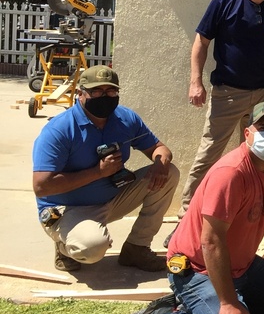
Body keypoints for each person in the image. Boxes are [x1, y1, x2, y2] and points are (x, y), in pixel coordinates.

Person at [125, 100, 264, 314]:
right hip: (196, 268)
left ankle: (219, 303)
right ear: (247, 133)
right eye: (263, 126)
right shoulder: (231, 172)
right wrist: (228, 302)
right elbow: (211, 241)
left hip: (241, 265)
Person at [174, 0, 264, 244]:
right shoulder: (224, 2)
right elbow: (201, 43)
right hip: (227, 93)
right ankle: (186, 216)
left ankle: (248, 214)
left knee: (260, 155)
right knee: (209, 153)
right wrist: (195, 82)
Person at [32, 65, 179, 272]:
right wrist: (98, 172)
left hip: (112, 198)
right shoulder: (60, 130)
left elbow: (159, 148)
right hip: (68, 208)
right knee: (91, 248)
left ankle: (136, 248)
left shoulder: (125, 119)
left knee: (170, 172)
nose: (105, 96)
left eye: (111, 91)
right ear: (80, 93)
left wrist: (160, 163)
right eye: (97, 91)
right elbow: (42, 186)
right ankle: (64, 244)